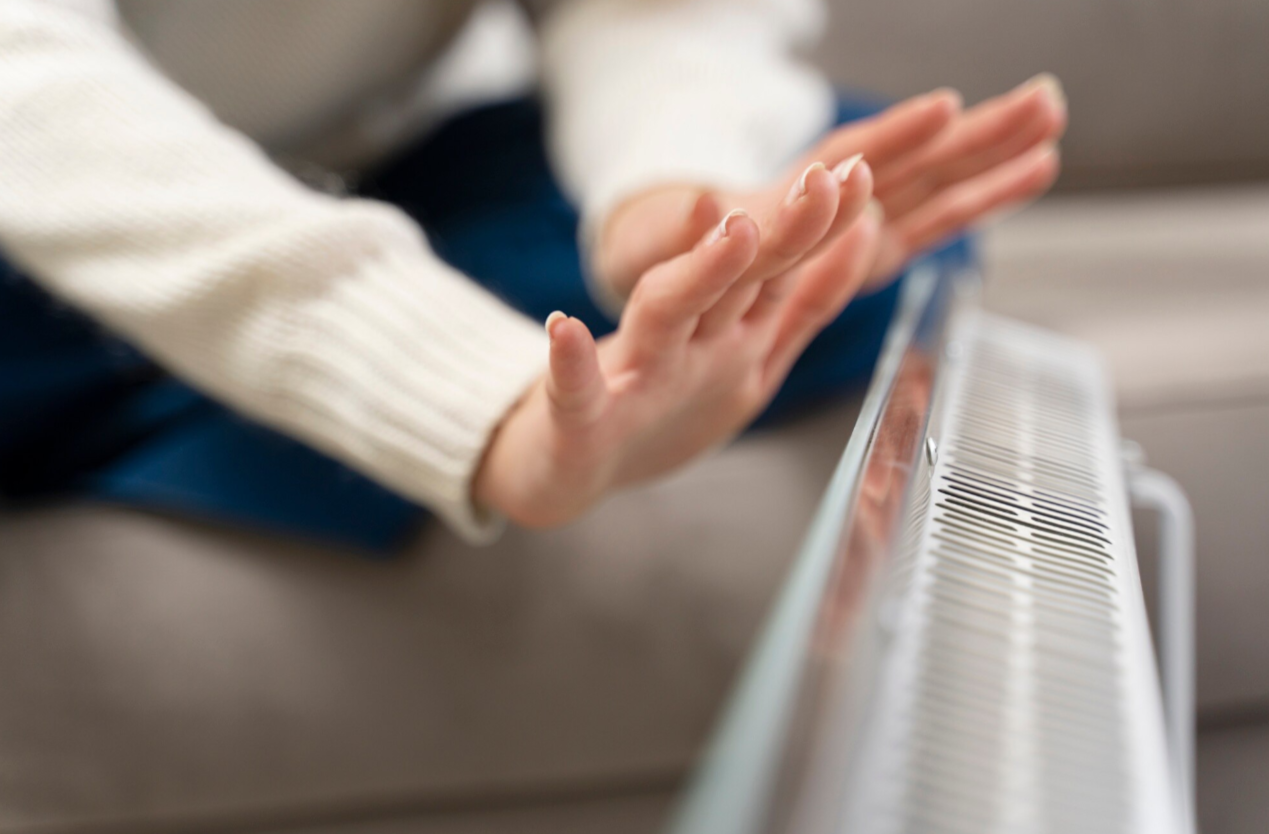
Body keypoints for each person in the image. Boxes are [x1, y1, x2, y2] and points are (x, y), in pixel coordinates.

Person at [0, 1, 1065, 822]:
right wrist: (477, 396)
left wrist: (666, 199)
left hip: (359, 170)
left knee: (854, 213)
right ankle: (301, 367)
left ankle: (234, 366)